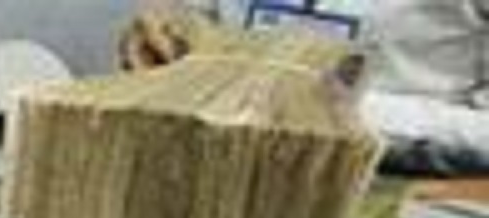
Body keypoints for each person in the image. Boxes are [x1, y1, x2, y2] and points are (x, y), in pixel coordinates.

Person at [122, 0, 489, 174]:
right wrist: (166, 25)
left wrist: (333, 107)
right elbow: (191, 15)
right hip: (212, 161)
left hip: (392, 187)